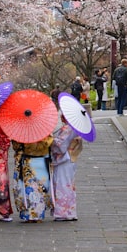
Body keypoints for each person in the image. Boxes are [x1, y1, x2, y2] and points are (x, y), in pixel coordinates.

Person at [50, 91, 84, 221]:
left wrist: (51, 140)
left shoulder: (67, 129)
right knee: (68, 184)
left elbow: (60, 145)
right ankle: (69, 211)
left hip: (65, 157)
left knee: (62, 184)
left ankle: (63, 212)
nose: (62, 117)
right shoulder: (75, 127)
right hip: (71, 157)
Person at [11, 134, 53, 222]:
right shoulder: (45, 131)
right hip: (42, 161)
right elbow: (49, 143)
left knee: (29, 188)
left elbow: (16, 147)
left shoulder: (22, 132)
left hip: (28, 161)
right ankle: (39, 214)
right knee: (41, 188)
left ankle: (29, 215)